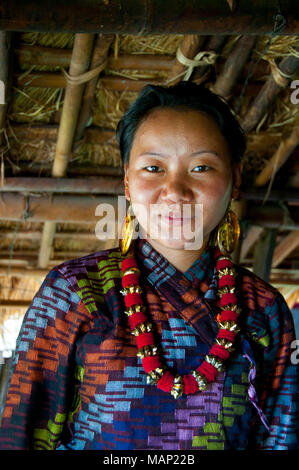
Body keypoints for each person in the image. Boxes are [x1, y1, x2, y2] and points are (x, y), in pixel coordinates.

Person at [0, 82, 298, 450]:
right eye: (153, 167)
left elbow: (284, 438)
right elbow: (21, 434)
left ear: (235, 179)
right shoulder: (76, 291)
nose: (174, 190)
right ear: (127, 180)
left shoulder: (263, 308)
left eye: (201, 166)